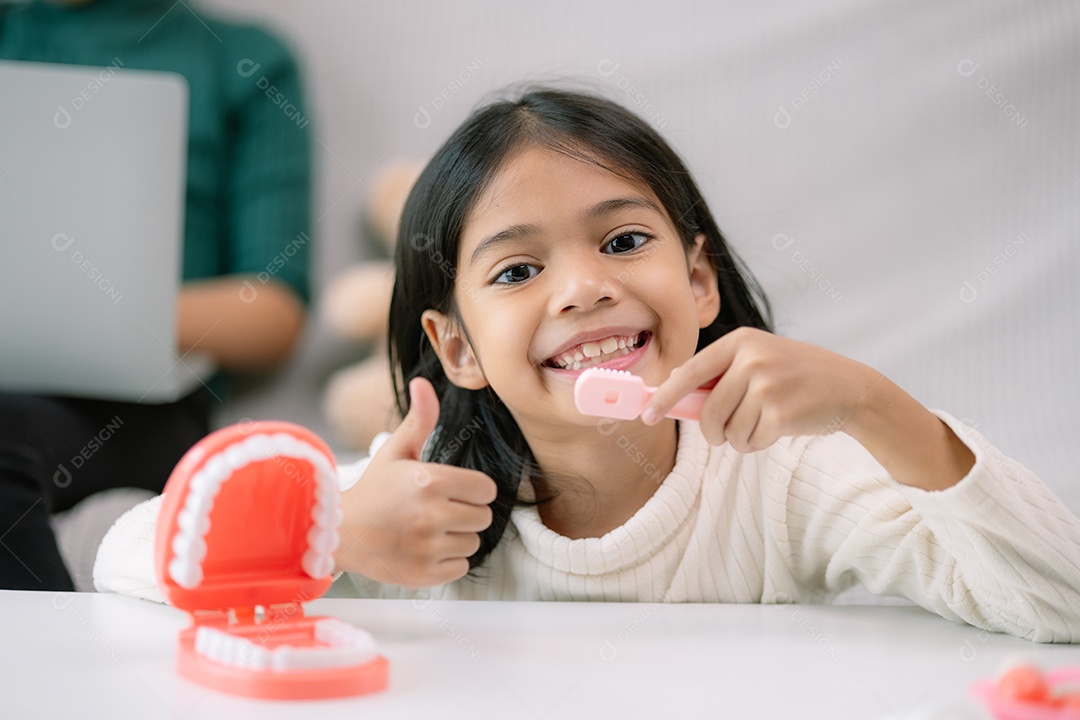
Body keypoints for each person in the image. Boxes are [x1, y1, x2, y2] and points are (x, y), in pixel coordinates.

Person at [95, 87, 1080, 643]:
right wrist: (332, 531)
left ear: (700, 284)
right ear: (459, 348)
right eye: (520, 268)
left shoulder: (786, 485)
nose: (581, 290)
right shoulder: (420, 517)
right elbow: (121, 561)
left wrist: (873, 404)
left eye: (620, 244)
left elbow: (1060, 602)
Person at [0, 0, 312, 591]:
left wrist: (78, 312)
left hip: (145, 408)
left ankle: (50, 671)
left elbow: (274, 308)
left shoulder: (244, 60)